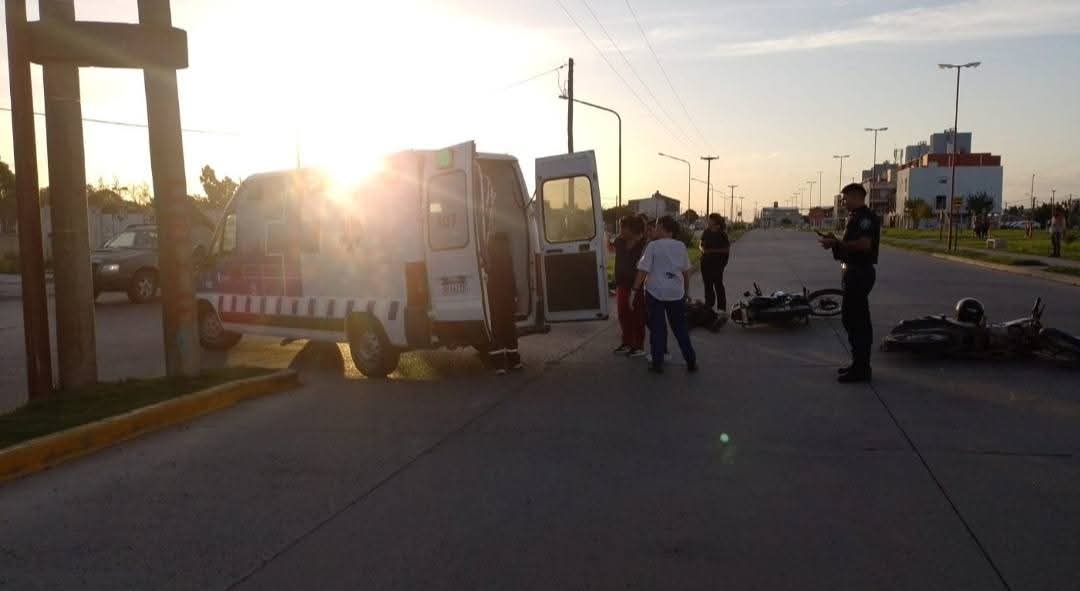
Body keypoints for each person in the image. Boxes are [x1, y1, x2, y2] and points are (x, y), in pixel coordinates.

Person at [818, 183, 880, 383]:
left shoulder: (865, 218)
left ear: (856, 196)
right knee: (850, 319)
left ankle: (862, 368)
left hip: (860, 273)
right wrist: (835, 242)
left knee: (858, 321)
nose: (844, 202)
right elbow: (848, 247)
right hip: (852, 272)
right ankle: (858, 364)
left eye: (846, 198)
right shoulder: (854, 217)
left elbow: (864, 245)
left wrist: (837, 243)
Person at [632, 215, 697, 374]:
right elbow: (686, 272)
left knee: (657, 328)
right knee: (680, 328)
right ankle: (691, 361)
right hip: (676, 293)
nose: (654, 229)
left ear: (663, 228)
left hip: (655, 293)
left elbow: (643, 270)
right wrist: (686, 292)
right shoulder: (681, 246)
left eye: (657, 226)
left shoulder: (653, 246)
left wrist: (634, 291)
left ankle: (657, 363)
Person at [486, 232, 522, 375]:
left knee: (496, 330)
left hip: (494, 298)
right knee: (509, 329)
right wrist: (514, 296)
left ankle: (499, 365)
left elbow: (489, 280)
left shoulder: (490, 258)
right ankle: (514, 362)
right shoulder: (507, 258)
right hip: (507, 298)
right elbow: (511, 278)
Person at [612, 216, 648, 357]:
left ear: (632, 229)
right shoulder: (619, 242)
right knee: (623, 314)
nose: (620, 230)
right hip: (622, 284)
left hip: (637, 286)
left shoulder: (645, 245)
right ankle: (626, 343)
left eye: (623, 227)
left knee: (638, 316)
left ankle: (638, 346)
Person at [699, 213, 731, 320]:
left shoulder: (722, 234)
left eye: (710, 220)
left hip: (717, 264)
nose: (708, 221)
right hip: (705, 262)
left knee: (718, 284)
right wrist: (702, 249)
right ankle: (709, 305)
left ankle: (721, 308)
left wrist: (711, 251)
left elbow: (726, 249)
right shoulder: (706, 232)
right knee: (707, 285)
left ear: (716, 222)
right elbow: (701, 243)